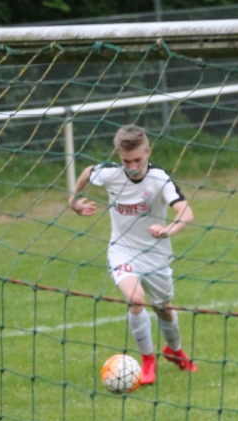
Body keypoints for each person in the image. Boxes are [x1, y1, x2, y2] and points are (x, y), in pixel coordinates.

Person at [69, 124, 197, 385]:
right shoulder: (111, 174)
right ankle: (148, 361)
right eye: (127, 161)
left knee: (165, 309)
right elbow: (87, 172)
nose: (133, 166)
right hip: (122, 251)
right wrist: (73, 202)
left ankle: (174, 350)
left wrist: (168, 230)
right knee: (136, 300)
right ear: (120, 156)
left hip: (156, 255)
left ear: (148, 151)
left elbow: (187, 213)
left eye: (138, 159)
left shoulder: (160, 178)